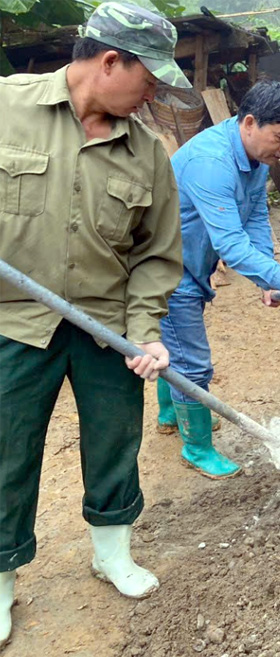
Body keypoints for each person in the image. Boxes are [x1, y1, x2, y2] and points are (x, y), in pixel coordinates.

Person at [0, 2, 188, 646]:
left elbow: (158, 254)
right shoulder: (6, 106)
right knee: (6, 448)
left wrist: (146, 328)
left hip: (108, 323)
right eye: (150, 79)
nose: (154, 93)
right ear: (111, 61)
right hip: (13, 320)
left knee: (115, 438)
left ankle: (111, 551)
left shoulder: (148, 154)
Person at [158, 79, 280, 480]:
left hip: (190, 263)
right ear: (249, 122)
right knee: (192, 364)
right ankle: (196, 446)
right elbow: (232, 246)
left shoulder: (254, 159)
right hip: (165, 271)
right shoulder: (212, 162)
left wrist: (267, 276)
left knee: (174, 349)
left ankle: (173, 412)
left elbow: (253, 217)